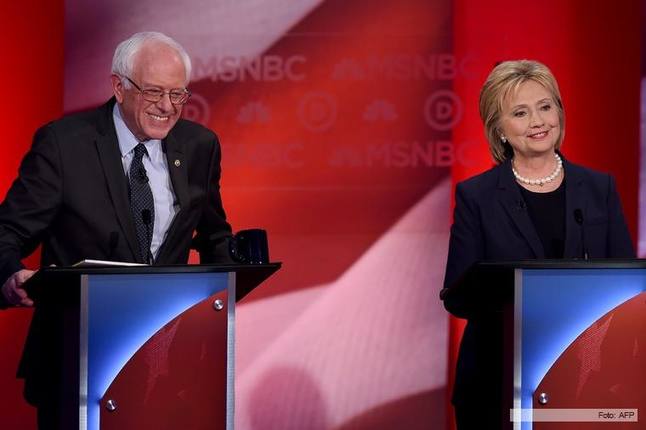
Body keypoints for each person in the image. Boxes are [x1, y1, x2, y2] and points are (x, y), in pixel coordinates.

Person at [0, 31, 234, 426]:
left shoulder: (200, 146)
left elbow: (214, 234)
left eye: (178, 94)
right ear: (119, 86)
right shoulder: (64, 144)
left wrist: (229, 284)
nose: (167, 107)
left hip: (169, 365)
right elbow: (7, 231)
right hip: (79, 361)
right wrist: (9, 274)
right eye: (154, 92)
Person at [441, 60, 634, 429]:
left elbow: (626, 287)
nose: (538, 121)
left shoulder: (598, 189)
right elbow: (457, 295)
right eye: (520, 112)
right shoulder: (476, 196)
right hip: (496, 381)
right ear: (499, 129)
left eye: (545, 106)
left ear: (559, 112)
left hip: (585, 379)